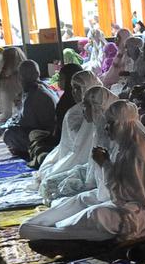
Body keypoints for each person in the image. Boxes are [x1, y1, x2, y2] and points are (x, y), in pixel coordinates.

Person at [21, 100, 145, 242]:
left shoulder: (138, 152)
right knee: (83, 198)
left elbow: (123, 196)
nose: (106, 127)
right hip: (125, 202)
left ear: (123, 124)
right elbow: (112, 192)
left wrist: (105, 164)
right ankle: (39, 223)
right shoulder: (126, 145)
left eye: (111, 123)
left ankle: (51, 230)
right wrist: (106, 165)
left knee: (98, 215)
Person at [36, 71, 104, 204]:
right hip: (77, 157)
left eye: (78, 88)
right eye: (72, 88)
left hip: (91, 162)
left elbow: (78, 147)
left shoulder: (91, 112)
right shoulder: (73, 111)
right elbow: (67, 144)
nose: (74, 92)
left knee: (51, 180)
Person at [0, 60, 59, 162]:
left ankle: (28, 150)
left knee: (9, 134)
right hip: (49, 132)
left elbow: (27, 123)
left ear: (20, 77)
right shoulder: (45, 87)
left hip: (45, 137)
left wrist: (7, 126)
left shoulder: (34, 95)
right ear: (37, 74)